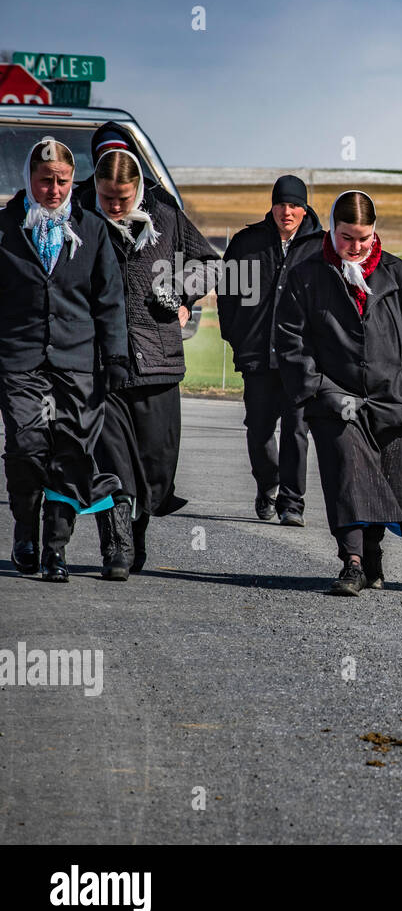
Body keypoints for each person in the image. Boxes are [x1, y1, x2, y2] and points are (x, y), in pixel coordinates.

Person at [276, 190, 402, 596]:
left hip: (389, 398)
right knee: (347, 473)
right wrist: (318, 390)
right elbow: (291, 341)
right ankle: (351, 562)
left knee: (385, 479)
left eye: (363, 237)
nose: (356, 246)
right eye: (347, 236)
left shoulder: (401, 276)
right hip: (334, 398)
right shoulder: (306, 275)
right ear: (332, 229)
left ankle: (372, 554)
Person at [76, 148, 217, 578]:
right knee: (111, 462)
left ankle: (137, 527)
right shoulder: (78, 219)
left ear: (138, 188)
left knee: (156, 464)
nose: (114, 206)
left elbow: (211, 266)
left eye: (122, 197)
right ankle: (115, 546)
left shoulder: (167, 216)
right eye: (106, 197)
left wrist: (179, 290)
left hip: (158, 360)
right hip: (101, 362)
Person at [0, 139, 126, 581]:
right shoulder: (6, 227)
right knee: (27, 446)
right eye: (45, 180)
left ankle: (56, 548)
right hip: (20, 359)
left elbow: (109, 299)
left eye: (62, 181)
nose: (54, 189)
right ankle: (25, 533)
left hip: (78, 360)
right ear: (29, 179)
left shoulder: (91, 229)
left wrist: (116, 356)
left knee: (71, 452)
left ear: (73, 181)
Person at [220, 175, 323, 525]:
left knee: (297, 430)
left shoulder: (321, 248)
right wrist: (237, 337)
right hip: (257, 357)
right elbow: (227, 296)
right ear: (272, 206)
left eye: (294, 205)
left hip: (302, 360)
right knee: (259, 429)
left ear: (305, 207)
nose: (286, 211)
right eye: (281, 204)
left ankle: (293, 504)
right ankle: (268, 484)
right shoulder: (247, 244)